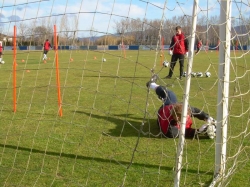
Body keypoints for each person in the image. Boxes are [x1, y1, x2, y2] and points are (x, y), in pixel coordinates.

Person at [146, 77, 216, 139]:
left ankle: (152, 84)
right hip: (163, 111)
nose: (187, 117)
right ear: (177, 117)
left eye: (187, 115)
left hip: (170, 105)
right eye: (184, 117)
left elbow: (196, 111)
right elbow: (185, 132)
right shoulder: (172, 130)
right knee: (169, 94)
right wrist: (199, 131)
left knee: (170, 94)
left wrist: (207, 117)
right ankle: (152, 84)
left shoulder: (184, 110)